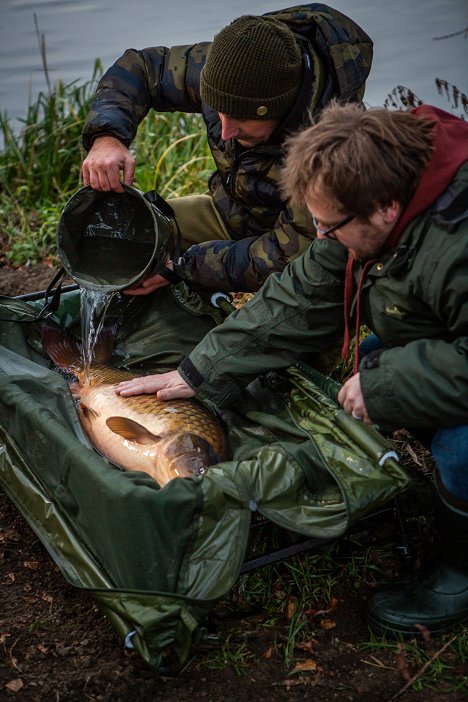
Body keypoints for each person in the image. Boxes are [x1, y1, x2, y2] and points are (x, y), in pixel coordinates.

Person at [115, 101, 468, 637]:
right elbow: (306, 290)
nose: (322, 237)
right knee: (378, 362)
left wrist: (390, 386)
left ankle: (460, 570)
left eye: (331, 226)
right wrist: (199, 371)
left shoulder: (456, 245)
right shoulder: (369, 190)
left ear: (387, 208)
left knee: (457, 444)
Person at [81, 5, 373, 294]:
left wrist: (185, 267)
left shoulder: (331, 146)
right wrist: (107, 136)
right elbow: (144, 68)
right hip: (229, 212)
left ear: (281, 109)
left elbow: (289, 254)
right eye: (218, 112)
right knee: (120, 240)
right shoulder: (224, 72)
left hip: (296, 250)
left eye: (241, 119)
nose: (225, 131)